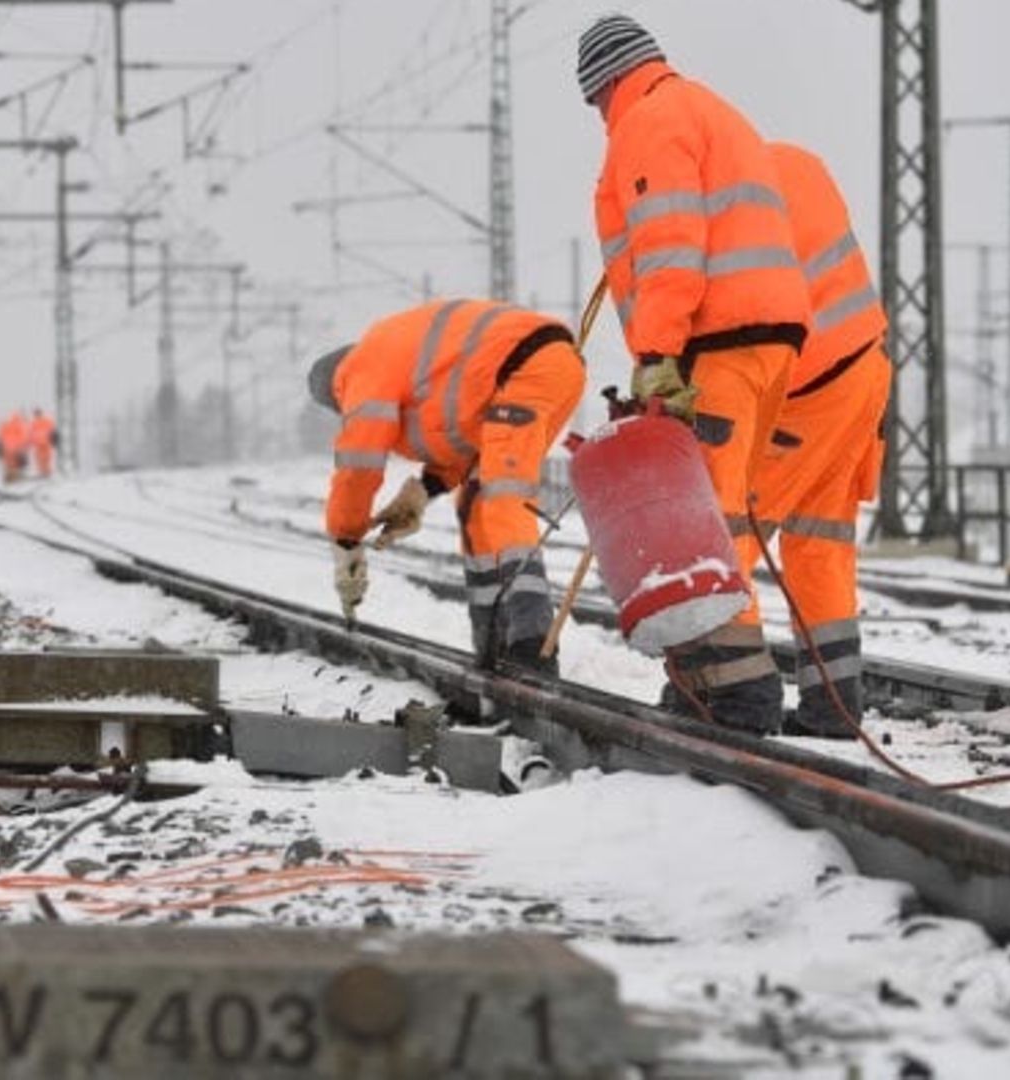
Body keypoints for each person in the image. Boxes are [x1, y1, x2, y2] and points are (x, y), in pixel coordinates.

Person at [579, 13, 812, 732]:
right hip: (768, 341)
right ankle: (699, 681)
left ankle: (739, 692)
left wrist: (655, 356)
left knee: (705, 524)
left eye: (595, 104)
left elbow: (671, 247)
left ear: (606, 83)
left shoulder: (651, 120)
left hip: (715, 340)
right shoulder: (711, 108)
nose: (600, 119)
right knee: (724, 510)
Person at [307, 300, 585, 672]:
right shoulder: (403, 359)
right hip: (550, 368)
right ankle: (493, 646)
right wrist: (424, 490)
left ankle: (532, 644)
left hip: (525, 369)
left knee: (502, 497)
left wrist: (346, 537)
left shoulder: (361, 371)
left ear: (335, 390)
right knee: (475, 500)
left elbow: (359, 464)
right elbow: (464, 438)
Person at [749, 141, 891, 738]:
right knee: (819, 545)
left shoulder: (730, 195)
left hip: (808, 383)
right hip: (865, 370)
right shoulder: (798, 165)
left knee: (728, 532)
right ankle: (833, 706)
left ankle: (724, 691)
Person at [0, 411, 29, 484]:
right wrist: (23, 448)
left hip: (6, 449)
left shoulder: (5, 425)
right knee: (15, 466)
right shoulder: (20, 426)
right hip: (16, 449)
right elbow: (24, 438)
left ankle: (7, 479)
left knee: (8, 465)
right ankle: (14, 481)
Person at [29, 408, 59, 480]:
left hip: (42, 443)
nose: (36, 415)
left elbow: (53, 431)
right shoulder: (46, 421)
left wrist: (54, 439)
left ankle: (44, 472)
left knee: (42, 459)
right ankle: (45, 472)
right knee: (43, 459)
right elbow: (53, 431)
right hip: (43, 443)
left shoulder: (35, 423)